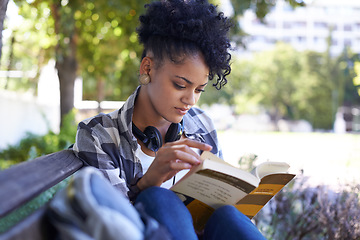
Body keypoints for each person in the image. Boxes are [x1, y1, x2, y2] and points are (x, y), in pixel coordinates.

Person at [71, 0, 267, 239]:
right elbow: (113, 224)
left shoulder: (201, 124)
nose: (191, 100)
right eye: (180, 85)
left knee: (228, 215)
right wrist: (147, 184)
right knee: (158, 198)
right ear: (147, 68)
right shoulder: (98, 136)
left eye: (199, 90)